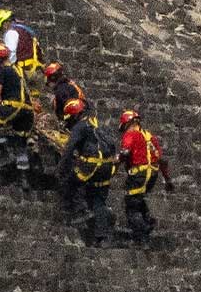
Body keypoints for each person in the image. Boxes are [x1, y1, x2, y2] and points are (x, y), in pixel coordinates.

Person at [58, 99, 116, 247]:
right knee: (98, 201)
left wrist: (62, 167)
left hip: (91, 165)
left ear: (75, 115)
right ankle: (102, 237)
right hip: (107, 167)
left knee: (71, 182)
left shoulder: (80, 126)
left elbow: (69, 148)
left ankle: (80, 211)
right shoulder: (99, 125)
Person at [117, 109, 174, 248]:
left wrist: (115, 163)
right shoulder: (150, 137)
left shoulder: (131, 134)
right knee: (138, 199)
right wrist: (167, 179)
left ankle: (141, 236)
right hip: (152, 175)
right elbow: (161, 160)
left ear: (127, 124)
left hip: (138, 175)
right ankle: (148, 220)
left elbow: (125, 152)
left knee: (131, 207)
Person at [0, 43, 36, 188]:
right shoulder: (18, 70)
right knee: (21, 142)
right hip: (28, 111)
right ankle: (23, 177)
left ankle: (6, 153)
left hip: (13, 107)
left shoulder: (2, 70)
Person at [0, 9, 44, 97]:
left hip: (24, 72)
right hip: (37, 71)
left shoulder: (11, 32)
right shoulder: (25, 31)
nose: (3, 30)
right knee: (35, 102)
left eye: (2, 27)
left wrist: (6, 71)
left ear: (5, 23)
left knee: (22, 101)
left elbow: (11, 53)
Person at [39, 62, 87, 148]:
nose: (48, 85)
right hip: (82, 120)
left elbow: (71, 111)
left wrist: (64, 123)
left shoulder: (62, 90)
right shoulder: (68, 85)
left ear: (52, 78)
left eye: (48, 81)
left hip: (76, 124)